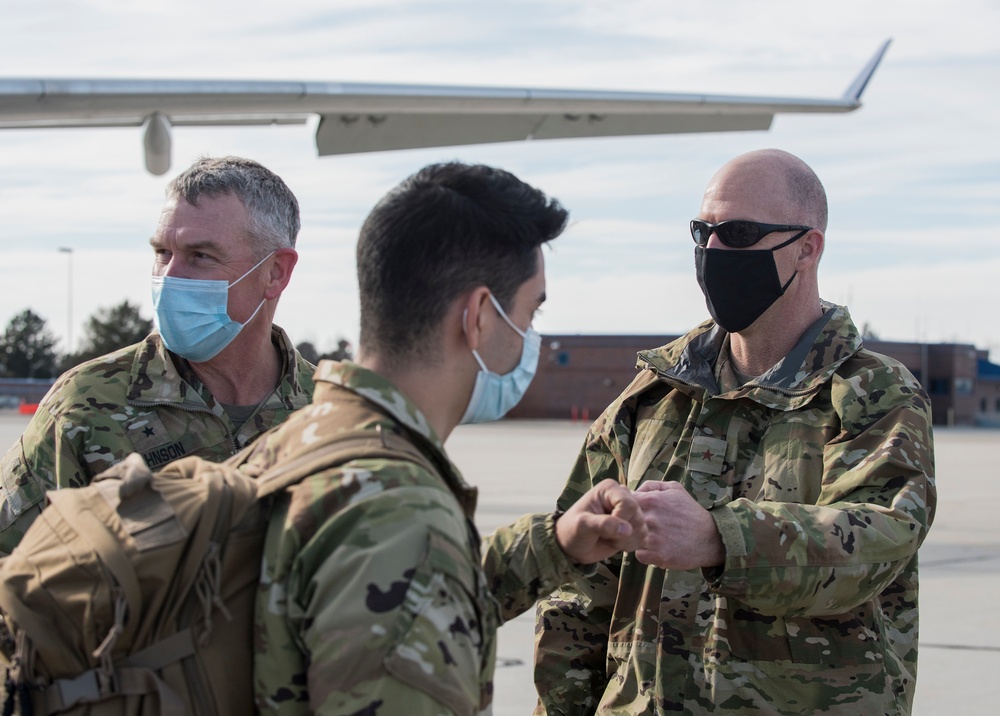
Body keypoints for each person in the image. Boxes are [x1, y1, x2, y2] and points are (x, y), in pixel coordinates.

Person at [533, 149, 936, 715]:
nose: (715, 251)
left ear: (807, 247)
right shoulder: (654, 394)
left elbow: (878, 540)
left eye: (740, 233)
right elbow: (579, 585)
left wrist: (723, 539)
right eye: (704, 232)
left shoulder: (871, 392)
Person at [238, 161, 647, 715]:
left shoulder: (296, 441)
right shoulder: (402, 514)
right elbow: (401, 574)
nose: (530, 338)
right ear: (478, 315)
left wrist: (556, 544)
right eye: (530, 311)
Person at [0, 156, 315, 554]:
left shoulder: (328, 413)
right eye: (163, 252)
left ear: (275, 273)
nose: (169, 277)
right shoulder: (86, 405)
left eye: (200, 256)